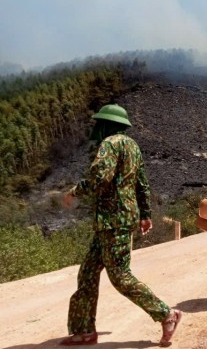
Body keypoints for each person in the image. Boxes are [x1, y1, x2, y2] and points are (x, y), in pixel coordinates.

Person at [61, 104, 181, 347]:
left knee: (120, 276)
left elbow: (99, 177)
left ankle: (166, 314)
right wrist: (145, 214)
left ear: (106, 124)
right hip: (112, 223)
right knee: (87, 273)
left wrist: (75, 191)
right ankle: (84, 331)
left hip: (113, 222)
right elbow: (143, 184)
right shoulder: (133, 147)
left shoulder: (110, 144)